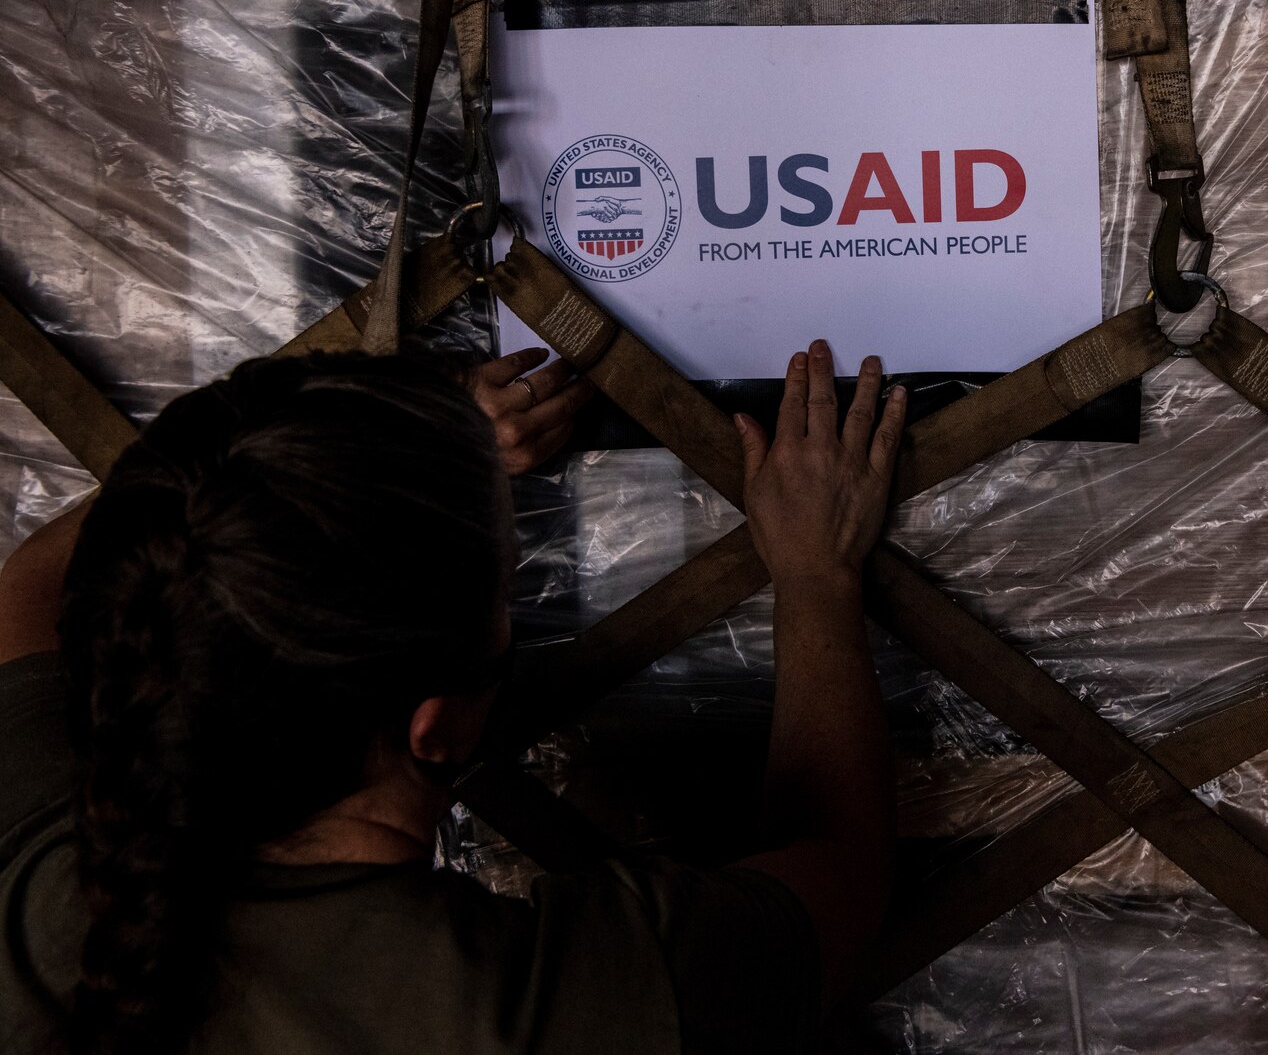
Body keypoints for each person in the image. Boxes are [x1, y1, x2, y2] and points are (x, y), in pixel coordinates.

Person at [0, 337, 905, 1054]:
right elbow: (842, 868)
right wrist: (817, 573)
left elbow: (37, 586)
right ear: (435, 729)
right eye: (506, 584)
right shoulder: (559, 1006)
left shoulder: (37, 874)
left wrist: (383, 456)